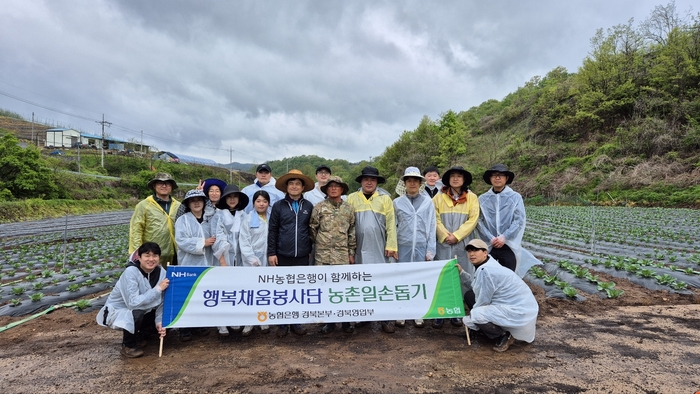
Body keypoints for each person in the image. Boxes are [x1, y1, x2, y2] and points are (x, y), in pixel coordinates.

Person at [458, 239, 539, 352]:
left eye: (476, 250)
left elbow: (484, 300)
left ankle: (504, 336)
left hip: (518, 310)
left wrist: (472, 320)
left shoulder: (486, 270)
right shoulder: (487, 263)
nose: (472, 254)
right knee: (470, 296)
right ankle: (487, 329)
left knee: (477, 314)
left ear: (485, 252)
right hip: (517, 305)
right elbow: (476, 286)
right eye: (470, 251)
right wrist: (462, 273)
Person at [346, 166, 398, 333]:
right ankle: (364, 315)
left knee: (382, 281)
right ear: (361, 181)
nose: (369, 182)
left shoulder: (385, 199)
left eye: (373, 179)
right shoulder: (352, 198)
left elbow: (391, 224)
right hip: (358, 247)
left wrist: (391, 245)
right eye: (366, 179)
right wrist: (349, 250)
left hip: (379, 246)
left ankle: (386, 318)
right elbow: (347, 226)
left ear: (377, 182)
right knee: (361, 282)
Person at [96, 242, 169, 358]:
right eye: (147, 255)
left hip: (144, 307)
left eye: (155, 255)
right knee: (137, 313)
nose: (151, 259)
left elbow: (162, 302)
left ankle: (140, 336)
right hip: (121, 310)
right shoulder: (131, 272)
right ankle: (128, 345)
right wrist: (158, 289)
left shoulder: (162, 273)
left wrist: (159, 322)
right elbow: (133, 303)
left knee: (162, 322)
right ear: (139, 257)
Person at [267, 169, 315, 337]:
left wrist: (308, 250)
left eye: (298, 184)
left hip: (302, 254)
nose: (294, 187)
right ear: (286, 187)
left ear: (303, 187)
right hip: (282, 254)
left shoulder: (308, 206)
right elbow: (272, 230)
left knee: (299, 290)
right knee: (282, 290)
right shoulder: (278, 206)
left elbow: (310, 230)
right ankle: (282, 324)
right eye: (291, 183)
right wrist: (272, 252)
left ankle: (297, 322)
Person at [433, 165, 480, 329]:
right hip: (443, 244)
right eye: (452, 176)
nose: (455, 178)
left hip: (463, 244)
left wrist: (457, 235)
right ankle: (441, 312)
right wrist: (445, 235)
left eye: (459, 176)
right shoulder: (438, 197)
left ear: (464, 179)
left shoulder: (472, 197)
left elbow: (473, 219)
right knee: (443, 277)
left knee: (461, 276)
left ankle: (456, 312)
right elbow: (435, 218)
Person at [309, 176, 356, 334]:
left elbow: (352, 232)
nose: (334, 189)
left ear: (342, 190)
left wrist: (351, 252)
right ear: (326, 189)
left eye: (337, 186)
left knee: (342, 289)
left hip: (342, 255)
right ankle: (328, 321)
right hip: (323, 256)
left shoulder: (349, 209)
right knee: (325, 289)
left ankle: (345, 321)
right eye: (331, 186)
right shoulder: (319, 207)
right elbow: (312, 229)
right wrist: (322, 243)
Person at [477, 164, 541, 276]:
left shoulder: (515, 197)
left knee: (508, 276)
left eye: (501, 175)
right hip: (488, 245)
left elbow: (518, 220)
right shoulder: (483, 199)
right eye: (494, 175)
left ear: (506, 178)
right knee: (486, 275)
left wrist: (504, 237)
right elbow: (479, 221)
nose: (497, 178)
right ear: (490, 178)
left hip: (508, 244)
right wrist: (490, 238)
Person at [393, 167, 436, 328]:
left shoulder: (428, 202)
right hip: (402, 245)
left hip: (420, 246)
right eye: (409, 180)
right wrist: (393, 247)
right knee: (402, 279)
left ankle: (419, 313)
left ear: (420, 183)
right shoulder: (397, 202)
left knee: (420, 280)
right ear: (404, 183)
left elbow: (432, 226)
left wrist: (430, 250)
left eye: (415, 180)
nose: (412, 183)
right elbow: (392, 226)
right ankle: (402, 312)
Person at [212, 184, 249, 337]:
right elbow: (217, 239)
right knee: (223, 290)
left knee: (239, 290)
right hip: (224, 258)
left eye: (235, 197)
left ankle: (237, 319)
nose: (232, 199)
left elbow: (247, 237)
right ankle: (221, 323)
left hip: (240, 258)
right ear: (225, 199)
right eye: (229, 197)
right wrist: (222, 261)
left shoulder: (244, 215)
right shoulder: (218, 216)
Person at [238, 190, 272, 336]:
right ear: (254, 203)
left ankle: (263, 319)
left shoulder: (272, 218)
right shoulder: (248, 219)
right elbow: (244, 241)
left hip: (269, 259)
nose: (261, 204)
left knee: (265, 291)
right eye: (258, 201)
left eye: (264, 201)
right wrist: (251, 258)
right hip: (252, 262)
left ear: (268, 203)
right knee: (251, 291)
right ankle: (249, 321)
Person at [129, 173, 181, 267]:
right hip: (153, 254)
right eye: (160, 183)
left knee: (173, 280)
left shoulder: (178, 205)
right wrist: (136, 252)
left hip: (176, 253)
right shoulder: (144, 205)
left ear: (172, 186)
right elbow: (136, 229)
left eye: (168, 183)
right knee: (155, 279)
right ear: (154, 186)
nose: (164, 186)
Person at [175, 189, 216, 267]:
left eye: (199, 200)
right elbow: (181, 240)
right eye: (192, 201)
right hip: (189, 264)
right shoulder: (183, 220)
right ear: (188, 204)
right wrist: (202, 243)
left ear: (204, 202)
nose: (196, 203)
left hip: (210, 262)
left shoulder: (212, 218)